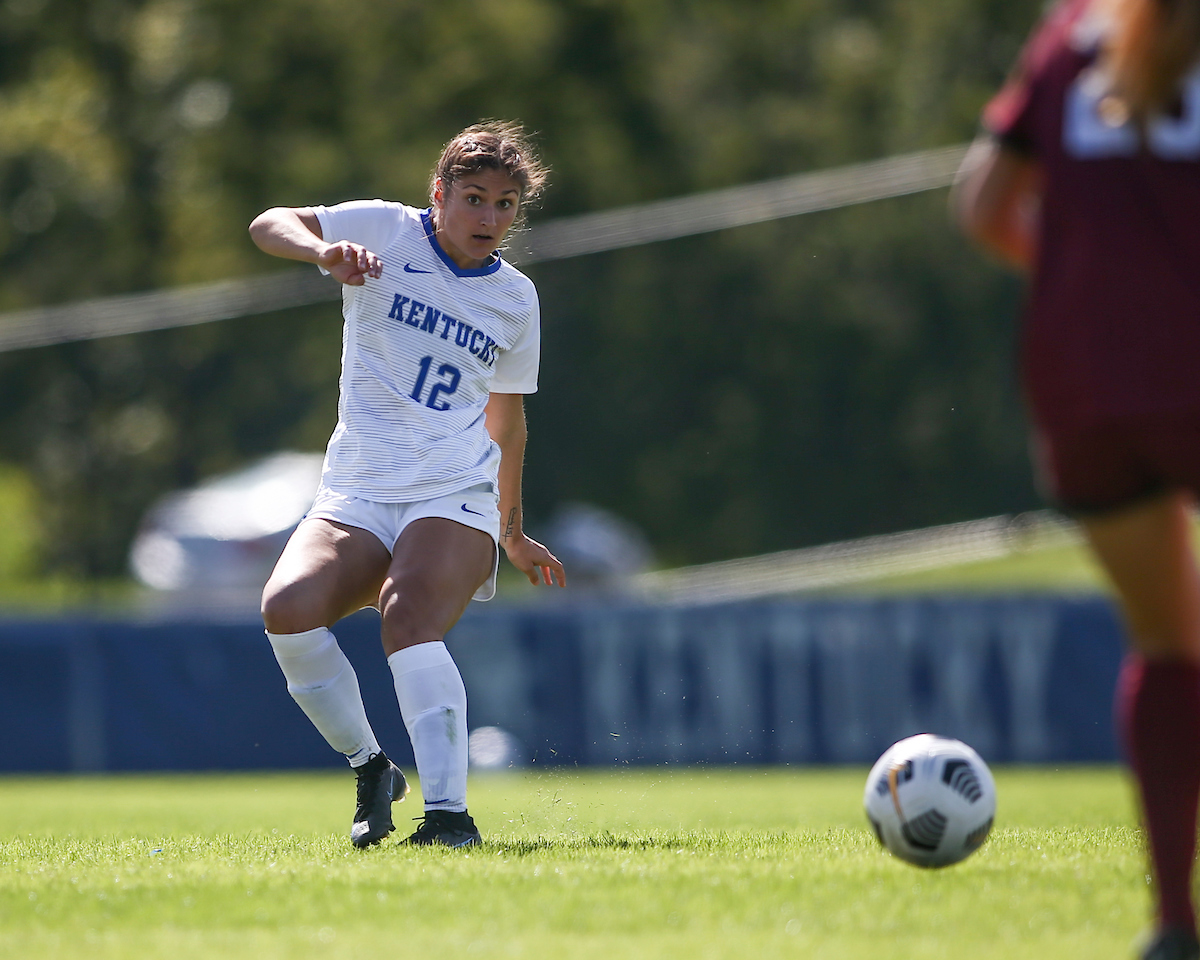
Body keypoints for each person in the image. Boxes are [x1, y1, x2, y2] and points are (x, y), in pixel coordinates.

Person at [954, 0, 1200, 956]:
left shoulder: (1070, 36)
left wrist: (1089, 291)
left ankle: (1174, 925)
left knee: (1166, 643)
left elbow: (980, 207)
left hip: (1082, 376)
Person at [249, 121, 566, 849]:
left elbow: (507, 426)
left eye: (506, 204)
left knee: (407, 613)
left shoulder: (516, 300)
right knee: (287, 610)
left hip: (452, 493)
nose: (490, 218)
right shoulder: (386, 233)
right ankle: (372, 768)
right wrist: (320, 250)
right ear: (439, 194)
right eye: (475, 198)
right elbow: (269, 224)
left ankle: (450, 817)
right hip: (357, 491)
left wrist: (511, 532)